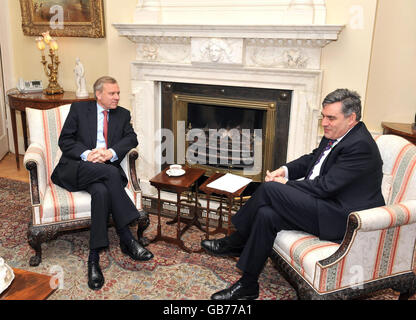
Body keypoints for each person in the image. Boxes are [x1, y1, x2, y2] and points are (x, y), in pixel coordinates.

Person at [201, 88, 385, 300]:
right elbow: (312, 159)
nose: (324, 122)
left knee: (270, 188)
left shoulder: (360, 145)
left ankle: (235, 241)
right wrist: (284, 170)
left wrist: (286, 184)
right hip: (322, 204)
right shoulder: (337, 133)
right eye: (323, 116)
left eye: (331, 118)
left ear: (351, 118)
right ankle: (247, 284)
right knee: (266, 215)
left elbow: (325, 187)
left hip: (341, 218)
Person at [51, 76, 153, 290]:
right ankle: (127, 236)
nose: (117, 97)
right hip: (77, 168)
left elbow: (131, 139)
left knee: (101, 192)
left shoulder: (123, 114)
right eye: (112, 93)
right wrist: (88, 154)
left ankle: (93, 257)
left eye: (118, 93)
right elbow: (65, 141)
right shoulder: (79, 110)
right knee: (110, 175)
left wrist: (110, 153)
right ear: (98, 94)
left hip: (103, 171)